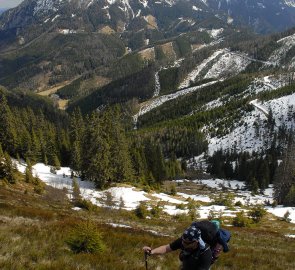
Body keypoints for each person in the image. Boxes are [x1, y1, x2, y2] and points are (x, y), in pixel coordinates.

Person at [143, 220, 231, 270]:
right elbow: (167, 248)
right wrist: (152, 251)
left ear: (196, 241)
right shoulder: (184, 240)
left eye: (187, 244)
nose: (184, 244)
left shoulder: (206, 254)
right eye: (183, 241)